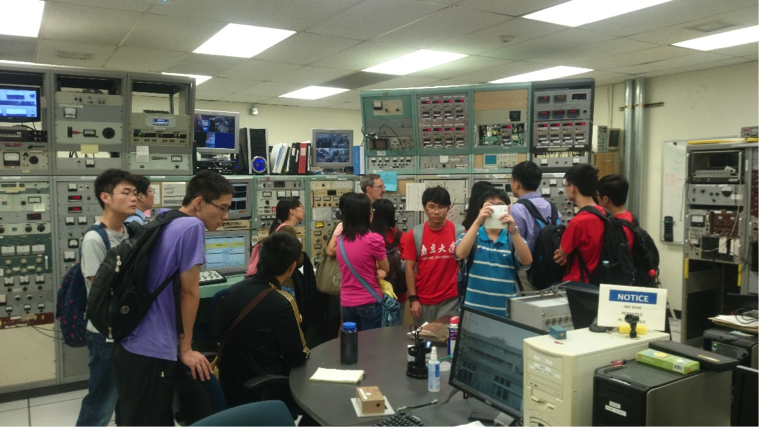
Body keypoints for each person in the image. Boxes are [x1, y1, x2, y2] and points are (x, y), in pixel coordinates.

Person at [111, 170, 234, 427]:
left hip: (131, 342)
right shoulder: (192, 226)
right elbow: (190, 292)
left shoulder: (166, 217)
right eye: (222, 208)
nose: (225, 216)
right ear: (199, 202)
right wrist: (186, 349)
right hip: (152, 349)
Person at [219, 231, 317, 426]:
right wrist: (293, 323)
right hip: (262, 389)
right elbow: (298, 356)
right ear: (292, 266)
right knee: (317, 404)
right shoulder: (283, 302)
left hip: (229, 384)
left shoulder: (235, 290)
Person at [76, 169, 138, 427]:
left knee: (126, 400)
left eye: (135, 193)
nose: (134, 198)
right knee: (101, 403)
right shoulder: (95, 239)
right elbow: (104, 289)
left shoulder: (130, 232)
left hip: (127, 329)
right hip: (105, 334)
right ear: (106, 197)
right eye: (126, 192)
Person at [455, 189, 532, 317]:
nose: (494, 209)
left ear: (508, 209)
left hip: (506, 314)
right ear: (481, 209)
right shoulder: (471, 237)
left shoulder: (513, 239)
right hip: (472, 312)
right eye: (490, 205)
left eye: (500, 206)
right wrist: (478, 221)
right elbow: (460, 254)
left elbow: (527, 261)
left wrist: (513, 230)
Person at [402, 187, 461, 322]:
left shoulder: (459, 232)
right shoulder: (415, 234)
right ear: (425, 208)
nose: (436, 212)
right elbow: (409, 268)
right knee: (425, 334)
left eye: (441, 207)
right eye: (432, 207)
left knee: (445, 334)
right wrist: (413, 299)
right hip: (423, 299)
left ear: (448, 208)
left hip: (450, 299)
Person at [334, 193, 389, 331]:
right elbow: (386, 267)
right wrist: (377, 268)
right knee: (369, 343)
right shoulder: (373, 239)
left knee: (351, 341)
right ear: (368, 215)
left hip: (346, 302)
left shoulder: (339, 240)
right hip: (368, 300)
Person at [510, 161, 562, 292]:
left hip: (527, 274)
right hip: (553, 271)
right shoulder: (552, 208)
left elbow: (513, 246)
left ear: (517, 184)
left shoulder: (516, 210)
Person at [553, 164, 605, 283]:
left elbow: (560, 256)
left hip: (578, 283)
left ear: (573, 188)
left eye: (566, 185)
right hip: (600, 280)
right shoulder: (605, 214)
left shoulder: (578, 222)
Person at [371, 198, 407, 324]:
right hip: (397, 293)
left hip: (373, 292)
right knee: (395, 329)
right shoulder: (401, 236)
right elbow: (407, 264)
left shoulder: (367, 237)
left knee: (372, 332)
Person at [269, 197, 306, 297]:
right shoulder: (288, 230)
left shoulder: (279, 228)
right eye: (300, 206)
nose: (303, 210)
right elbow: (298, 260)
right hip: (286, 283)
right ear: (292, 211)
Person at [597, 174, 634, 250]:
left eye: (597, 195)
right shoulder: (632, 218)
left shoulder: (617, 228)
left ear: (605, 199)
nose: (597, 198)